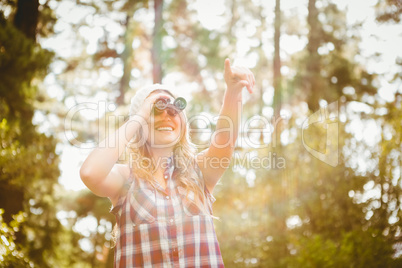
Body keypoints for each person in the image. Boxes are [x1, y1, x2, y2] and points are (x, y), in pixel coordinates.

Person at [80, 58, 254, 267]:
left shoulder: (198, 172)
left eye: (173, 110)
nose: (167, 114)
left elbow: (225, 141)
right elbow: (90, 172)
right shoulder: (125, 178)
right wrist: (140, 115)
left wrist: (233, 92)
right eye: (157, 109)